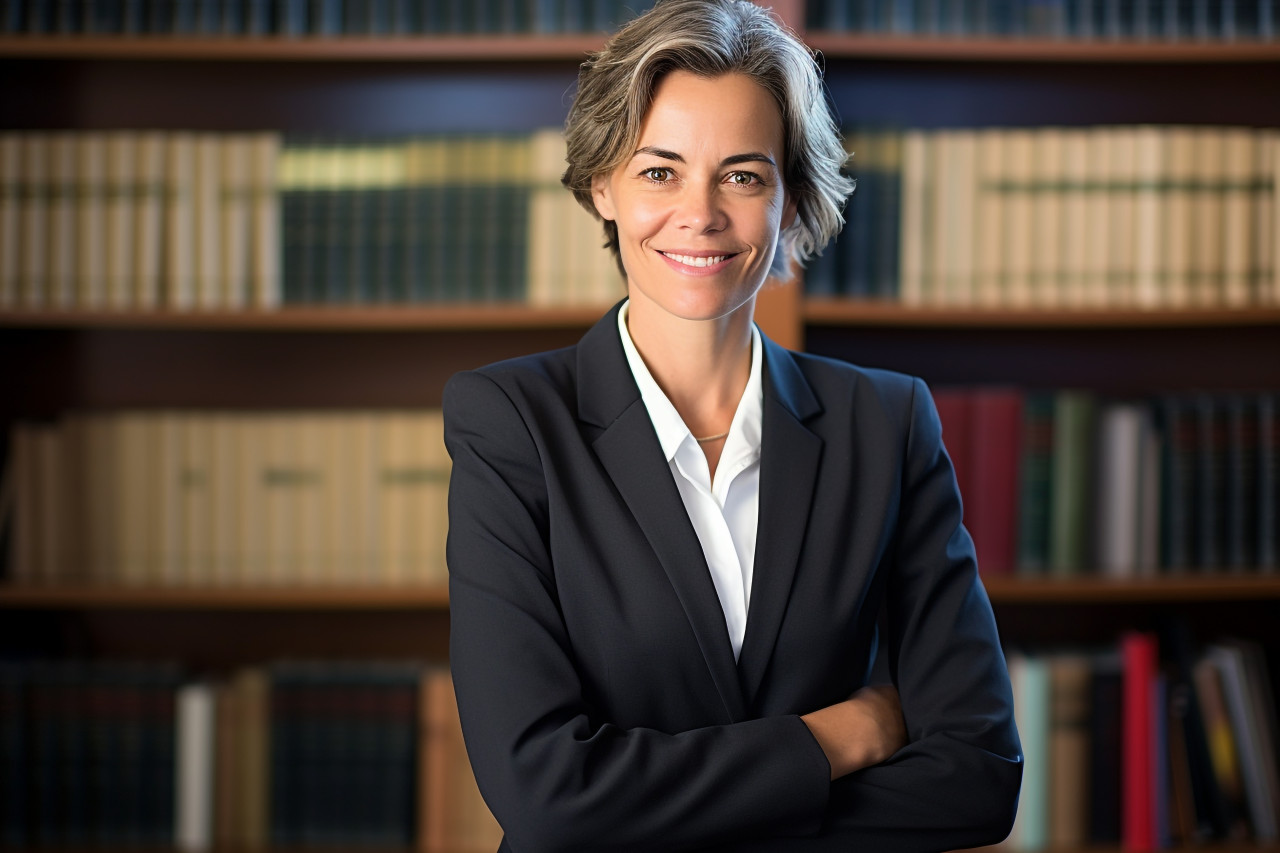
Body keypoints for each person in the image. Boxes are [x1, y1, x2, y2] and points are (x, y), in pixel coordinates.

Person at [442, 1, 1023, 850]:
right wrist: (841, 737)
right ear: (602, 186)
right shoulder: (511, 424)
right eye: (659, 171)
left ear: (790, 200)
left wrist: (665, 806)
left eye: (743, 175)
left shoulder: (886, 421)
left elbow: (977, 777)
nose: (701, 213)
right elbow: (546, 792)